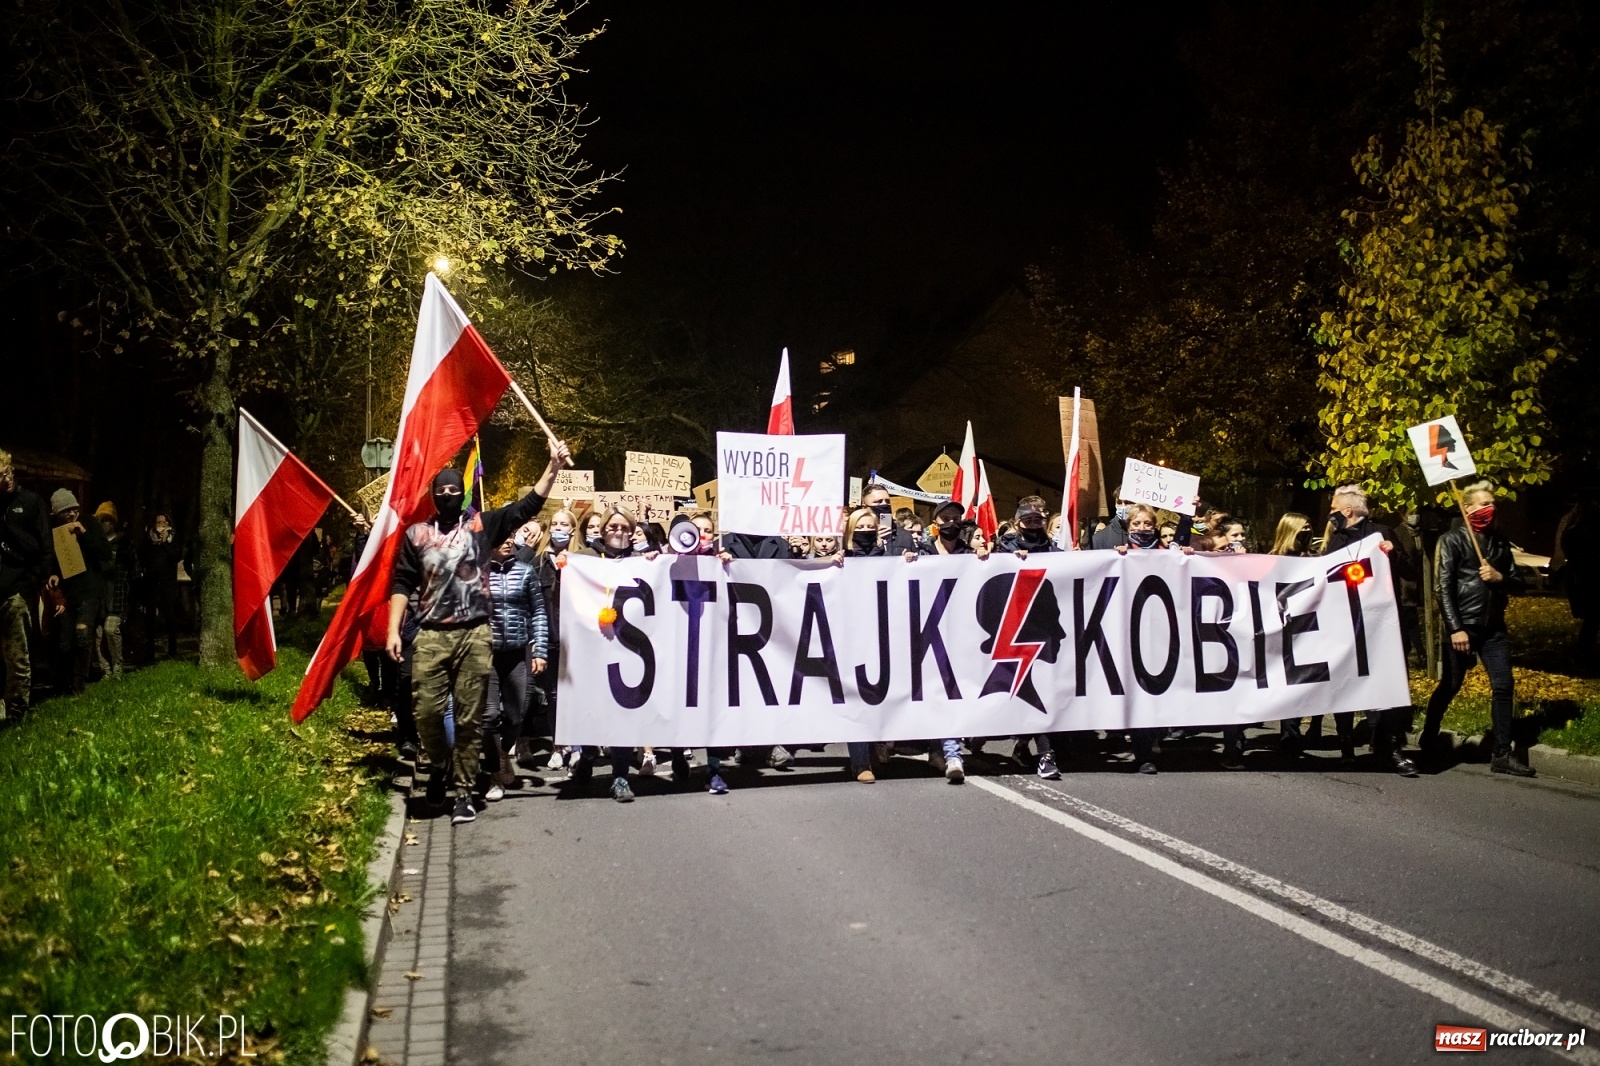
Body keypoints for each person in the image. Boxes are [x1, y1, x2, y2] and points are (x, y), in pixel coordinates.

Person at [387, 440, 572, 824]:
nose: (449, 495)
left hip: (474, 635)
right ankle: (438, 764)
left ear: (464, 493)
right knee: (427, 713)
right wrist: (394, 629)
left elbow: (528, 507)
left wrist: (552, 467)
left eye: (456, 490)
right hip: (431, 634)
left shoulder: (481, 527)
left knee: (471, 718)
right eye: (443, 490)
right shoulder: (416, 535)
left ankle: (464, 792)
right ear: (433, 495)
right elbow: (402, 583)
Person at [1422, 482, 1530, 776]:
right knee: (1451, 686)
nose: (1488, 509)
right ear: (1467, 508)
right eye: (1482, 504)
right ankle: (1428, 738)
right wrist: (1455, 628)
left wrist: (1500, 577)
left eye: (1491, 504)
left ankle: (1501, 754)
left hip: (1493, 628)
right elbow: (1443, 588)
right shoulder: (1452, 540)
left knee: (1504, 685)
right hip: (1464, 626)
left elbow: (1519, 583)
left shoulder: (1499, 542)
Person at [1318, 483, 1416, 776]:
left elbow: (1410, 572)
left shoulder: (1383, 533)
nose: (1331, 514)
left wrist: (1394, 554)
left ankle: (1391, 747)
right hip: (1345, 624)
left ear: (1347, 510)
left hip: (1380, 624)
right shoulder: (1335, 540)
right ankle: (1346, 746)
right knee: (1345, 682)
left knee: (1386, 685)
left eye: (1334, 509)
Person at [910, 498, 992, 782]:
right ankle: (946, 751)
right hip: (927, 630)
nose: (951, 523)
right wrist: (906, 563)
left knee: (953, 691)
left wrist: (991, 560)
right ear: (936, 524)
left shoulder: (970, 554)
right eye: (945, 519)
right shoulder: (922, 552)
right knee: (938, 691)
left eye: (956, 518)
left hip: (962, 631)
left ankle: (947, 751)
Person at [992, 496, 1063, 779]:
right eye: (1028, 521)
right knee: (1032, 691)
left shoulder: (1055, 550)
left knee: (1041, 692)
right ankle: (1046, 753)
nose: (1034, 525)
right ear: (1018, 524)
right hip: (1016, 633)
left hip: (1048, 628)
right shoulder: (1005, 549)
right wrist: (1008, 560)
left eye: (1038, 521)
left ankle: (1024, 745)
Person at [482, 529, 549, 802]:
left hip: (518, 653)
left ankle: (501, 752)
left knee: (517, 714)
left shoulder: (525, 572)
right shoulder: (476, 573)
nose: (509, 541)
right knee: (487, 718)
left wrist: (540, 650)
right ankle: (495, 774)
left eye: (510, 536)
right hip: (485, 654)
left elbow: (539, 612)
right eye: (502, 537)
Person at [0, 452, 52, 721]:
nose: (5, 479)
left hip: (16, 592)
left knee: (17, 656)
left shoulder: (31, 502)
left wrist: (30, 583)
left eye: (6, 472)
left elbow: (45, 550)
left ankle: (16, 715)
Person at [48, 489, 113, 694]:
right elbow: (57, 558)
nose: (70, 514)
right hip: (70, 591)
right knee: (65, 641)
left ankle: (79, 684)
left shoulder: (89, 523)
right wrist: (54, 574)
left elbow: (104, 553)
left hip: (90, 590)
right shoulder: (56, 531)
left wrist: (83, 533)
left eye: (73, 509)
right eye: (65, 511)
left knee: (82, 634)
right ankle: (64, 682)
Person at [529, 508, 576, 771]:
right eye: (555, 524)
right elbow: (536, 604)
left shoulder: (584, 559)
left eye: (564, 524)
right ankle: (559, 746)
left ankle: (578, 745)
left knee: (578, 693)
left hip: (579, 638)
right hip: (551, 636)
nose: (559, 528)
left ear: (572, 529)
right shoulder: (538, 563)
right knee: (555, 696)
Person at [93, 502, 134, 679]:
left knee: (111, 630)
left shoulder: (124, 544)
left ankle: (117, 665)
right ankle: (105, 670)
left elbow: (134, 570)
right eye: (101, 521)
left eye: (108, 521)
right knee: (98, 635)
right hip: (100, 596)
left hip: (117, 595)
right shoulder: (96, 544)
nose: (105, 524)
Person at [139, 513, 183, 660]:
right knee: (150, 617)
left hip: (168, 583)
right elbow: (143, 555)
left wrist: (165, 542)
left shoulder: (173, 539)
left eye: (163, 522)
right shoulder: (148, 538)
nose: (160, 525)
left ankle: (172, 650)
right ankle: (150, 651)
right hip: (152, 583)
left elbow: (176, 557)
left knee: (169, 615)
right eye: (158, 522)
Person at [861, 483, 918, 555]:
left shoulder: (904, 535)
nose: (884, 504)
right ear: (865, 507)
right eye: (879, 501)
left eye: (887, 501)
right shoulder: (859, 535)